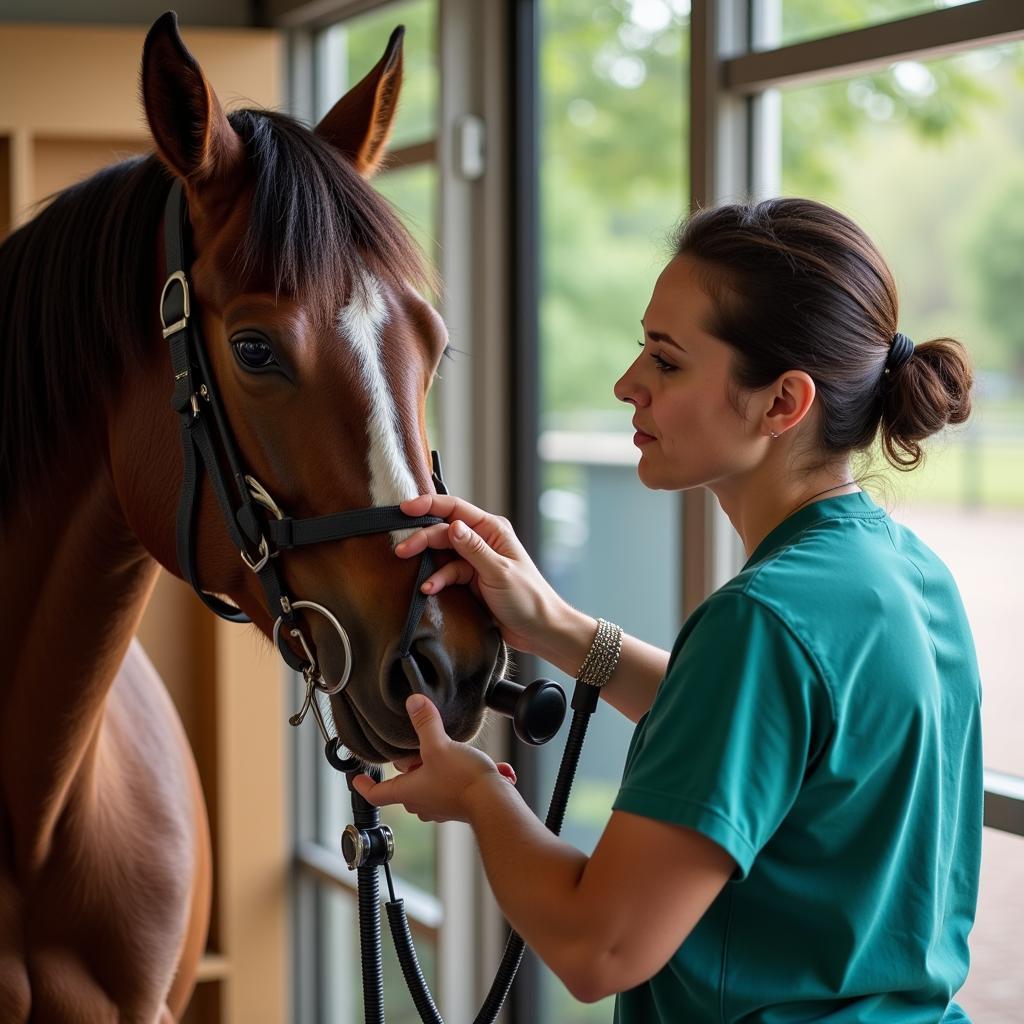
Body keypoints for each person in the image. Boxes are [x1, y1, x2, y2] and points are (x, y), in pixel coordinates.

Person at [353, 197, 982, 1022]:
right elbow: (761, 740)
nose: (627, 386)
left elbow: (597, 946)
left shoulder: (762, 622)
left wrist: (476, 793)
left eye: (667, 360)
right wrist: (555, 627)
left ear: (782, 403)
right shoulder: (905, 574)